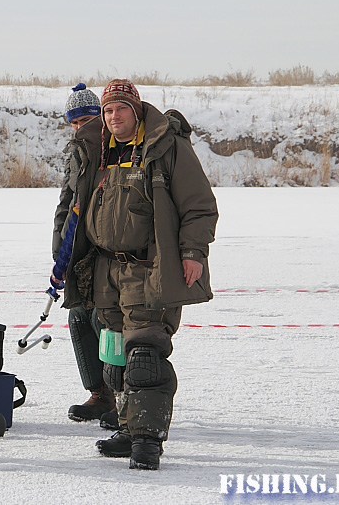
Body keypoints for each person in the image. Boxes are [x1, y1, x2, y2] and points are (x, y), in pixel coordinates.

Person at [61, 79, 218, 470]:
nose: (114, 117)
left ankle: (147, 440)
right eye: (108, 110)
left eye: (121, 109)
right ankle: (129, 428)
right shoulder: (94, 151)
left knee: (145, 352)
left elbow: (199, 206)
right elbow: (70, 207)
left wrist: (193, 251)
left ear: (136, 110)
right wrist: (63, 255)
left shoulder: (167, 147)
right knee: (114, 354)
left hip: (149, 267)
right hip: (103, 269)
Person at [50, 84, 118, 429]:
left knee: (103, 320)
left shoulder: (116, 148)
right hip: (78, 249)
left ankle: (119, 395)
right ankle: (99, 393)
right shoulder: (76, 150)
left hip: (106, 249)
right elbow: (67, 201)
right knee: (79, 317)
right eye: (77, 121)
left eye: (89, 119)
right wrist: (59, 250)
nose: (83, 127)